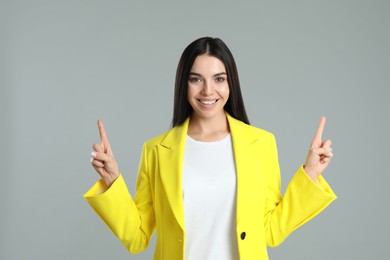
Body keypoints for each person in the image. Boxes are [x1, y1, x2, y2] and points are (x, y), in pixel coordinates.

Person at [84, 37, 336, 260]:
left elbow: (270, 231)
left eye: (219, 79)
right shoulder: (156, 150)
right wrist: (112, 181)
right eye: (196, 79)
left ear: (230, 84)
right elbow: (137, 237)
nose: (208, 90)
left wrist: (310, 175)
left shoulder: (260, 144)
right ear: (184, 84)